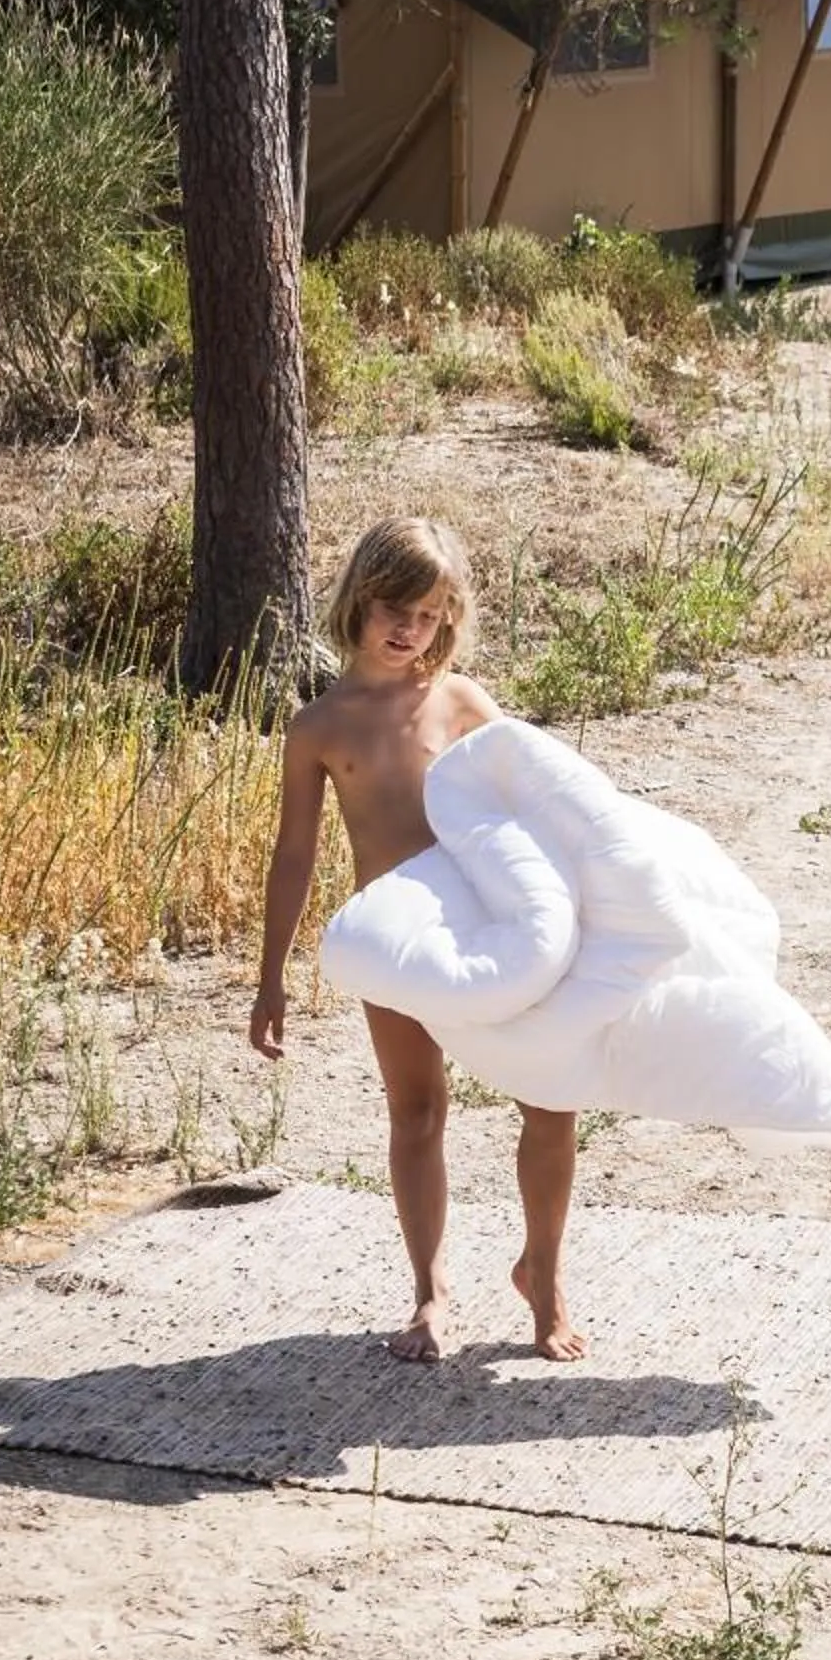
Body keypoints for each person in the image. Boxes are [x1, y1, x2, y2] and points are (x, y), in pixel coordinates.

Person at [248, 515, 589, 1365]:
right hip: (398, 940)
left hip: (493, 927)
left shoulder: (463, 701)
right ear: (358, 600)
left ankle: (542, 1277)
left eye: (430, 614)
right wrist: (270, 976)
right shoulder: (319, 727)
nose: (409, 629)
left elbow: (540, 803)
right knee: (417, 1111)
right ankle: (429, 1294)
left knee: (551, 1098)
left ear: (451, 618)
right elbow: (294, 855)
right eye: (394, 608)